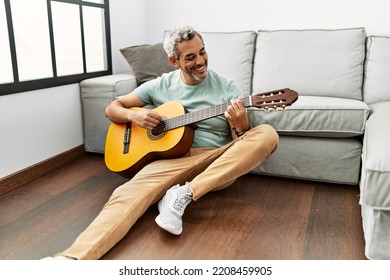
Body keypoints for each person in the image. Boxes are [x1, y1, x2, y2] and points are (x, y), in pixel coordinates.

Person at [44, 25, 279, 260]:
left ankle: (184, 194)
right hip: (169, 159)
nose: (200, 61)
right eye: (190, 57)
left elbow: (240, 145)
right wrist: (135, 115)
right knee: (126, 194)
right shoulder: (160, 85)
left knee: (267, 133)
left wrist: (241, 125)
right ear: (174, 61)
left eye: (202, 52)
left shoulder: (227, 87)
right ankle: (71, 258)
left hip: (213, 161)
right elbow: (112, 109)